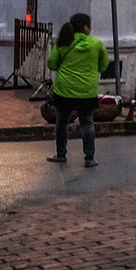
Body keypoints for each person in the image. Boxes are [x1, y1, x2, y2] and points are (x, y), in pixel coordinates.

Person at [46, 13, 109, 166]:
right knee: (87, 122)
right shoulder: (97, 44)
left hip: (64, 90)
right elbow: (104, 66)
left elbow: (52, 65)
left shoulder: (63, 43)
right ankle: (89, 158)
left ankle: (61, 154)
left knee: (62, 122)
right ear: (86, 28)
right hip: (87, 91)